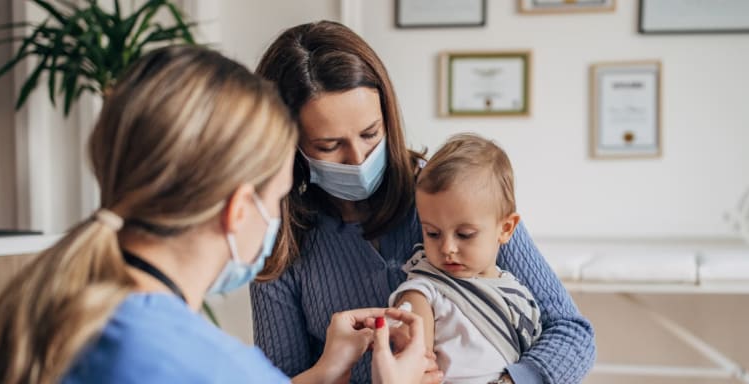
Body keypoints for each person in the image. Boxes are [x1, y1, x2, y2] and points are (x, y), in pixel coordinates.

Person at [0, 45, 426, 384]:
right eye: (279, 197)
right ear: (241, 209)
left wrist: (323, 375)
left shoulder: (33, 314)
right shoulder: (203, 364)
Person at [250, 20, 596, 383]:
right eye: (329, 145)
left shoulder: (452, 195)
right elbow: (280, 376)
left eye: (370, 133)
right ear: (287, 144)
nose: (357, 159)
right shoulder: (280, 239)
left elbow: (572, 332)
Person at [389, 133, 542, 383]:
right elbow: (410, 366)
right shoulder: (423, 292)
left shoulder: (518, 294)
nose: (447, 247)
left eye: (465, 234)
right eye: (432, 233)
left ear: (505, 229)